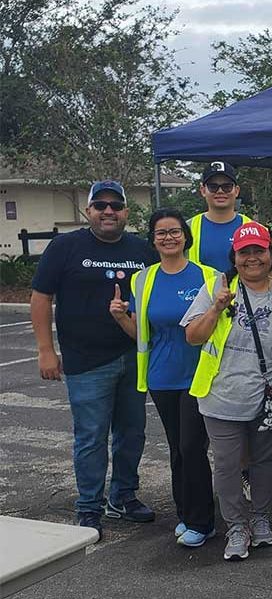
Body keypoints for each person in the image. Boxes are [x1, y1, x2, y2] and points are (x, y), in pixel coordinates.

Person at [30, 180, 155, 540]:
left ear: (126, 212)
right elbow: (41, 297)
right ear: (89, 211)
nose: (108, 211)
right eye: (100, 205)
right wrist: (45, 349)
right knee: (91, 438)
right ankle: (89, 507)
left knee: (132, 434)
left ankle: (124, 497)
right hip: (86, 362)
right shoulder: (65, 247)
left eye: (116, 205)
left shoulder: (142, 250)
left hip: (133, 357)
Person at [108, 209, 218, 547]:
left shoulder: (209, 277)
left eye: (174, 231)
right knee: (177, 449)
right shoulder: (143, 280)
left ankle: (203, 521)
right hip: (160, 376)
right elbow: (142, 334)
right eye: (161, 233)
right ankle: (186, 514)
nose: (168, 238)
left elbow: (218, 328)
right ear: (153, 240)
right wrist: (119, 318)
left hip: (198, 375)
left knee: (192, 446)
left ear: (185, 236)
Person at [182, 221, 272, 561]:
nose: (253, 258)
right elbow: (193, 336)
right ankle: (236, 526)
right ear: (235, 256)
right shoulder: (217, 287)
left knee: (263, 461)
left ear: (271, 255)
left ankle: (259, 518)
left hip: (267, 396)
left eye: (259, 250)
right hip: (221, 395)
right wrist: (216, 308)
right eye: (245, 252)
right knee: (227, 466)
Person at [188, 161, 252, 272]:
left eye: (227, 187)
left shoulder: (252, 229)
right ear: (203, 190)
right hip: (198, 289)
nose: (220, 191)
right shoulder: (186, 229)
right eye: (213, 187)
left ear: (236, 191)